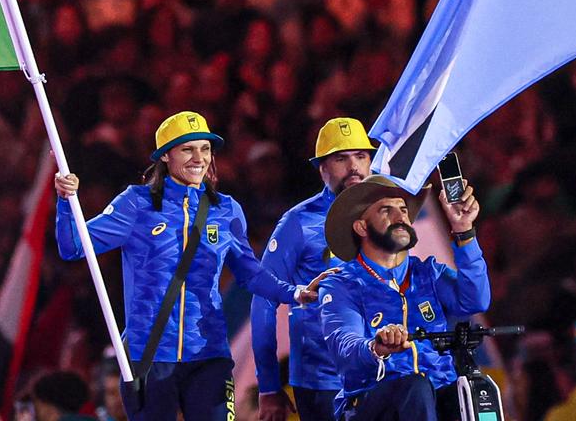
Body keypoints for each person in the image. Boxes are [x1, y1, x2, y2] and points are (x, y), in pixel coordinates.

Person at [54, 111, 325, 420]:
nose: (200, 158)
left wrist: (295, 292)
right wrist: (65, 201)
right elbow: (73, 246)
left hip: (208, 354)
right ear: (166, 156)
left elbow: (250, 274)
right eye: (188, 149)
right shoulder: (136, 204)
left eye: (205, 149)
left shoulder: (226, 210)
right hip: (150, 357)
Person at [318, 174, 489, 421]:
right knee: (415, 387)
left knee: (475, 392)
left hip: (437, 394)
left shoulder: (428, 273)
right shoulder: (341, 284)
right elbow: (344, 344)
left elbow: (475, 301)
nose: (400, 217)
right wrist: (375, 347)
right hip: (373, 402)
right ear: (362, 227)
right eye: (386, 210)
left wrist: (464, 231)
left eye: (403, 210)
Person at [251, 117, 376, 421]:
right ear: (322, 168)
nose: (354, 166)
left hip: (382, 372)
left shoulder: (386, 215)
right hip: (323, 381)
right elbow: (263, 299)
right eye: (340, 158)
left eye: (361, 156)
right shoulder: (297, 223)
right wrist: (268, 386)